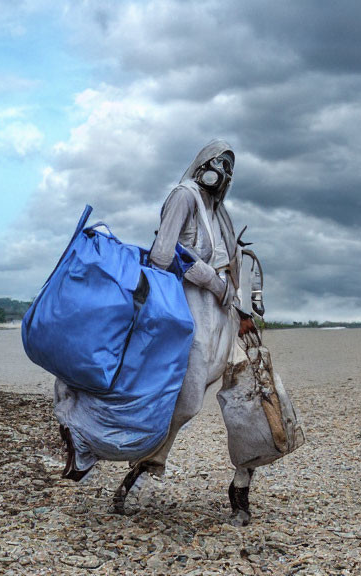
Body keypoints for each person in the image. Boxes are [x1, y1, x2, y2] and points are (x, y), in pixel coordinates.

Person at [111, 139, 258, 526]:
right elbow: (163, 254)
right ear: (203, 164)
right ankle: (143, 467)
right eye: (218, 162)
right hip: (191, 312)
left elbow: (233, 266)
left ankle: (241, 485)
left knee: (251, 393)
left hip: (225, 316)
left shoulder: (219, 213)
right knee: (188, 403)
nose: (223, 172)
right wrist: (212, 282)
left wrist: (241, 309)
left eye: (230, 165)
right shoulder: (183, 197)